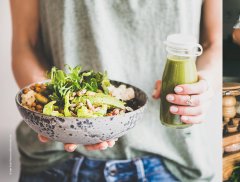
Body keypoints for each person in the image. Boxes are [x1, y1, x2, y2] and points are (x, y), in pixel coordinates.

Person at [11, 0, 221, 181]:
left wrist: (203, 85)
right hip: (57, 163)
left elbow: (214, 43)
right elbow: (24, 44)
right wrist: (50, 113)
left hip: (171, 161)